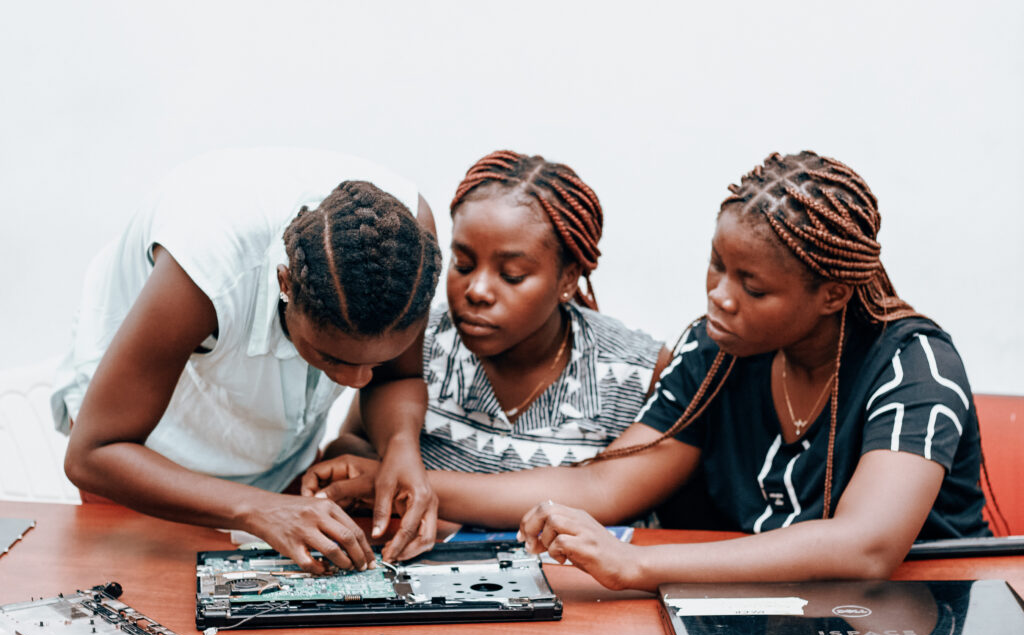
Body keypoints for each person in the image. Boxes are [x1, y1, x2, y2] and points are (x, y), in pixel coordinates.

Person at [310, 151, 990, 591]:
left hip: (927, 611)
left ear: (832, 295)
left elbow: (865, 546)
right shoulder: (717, 351)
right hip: (771, 606)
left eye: (752, 287)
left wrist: (637, 563)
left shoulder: (913, 364)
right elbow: (608, 481)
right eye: (718, 267)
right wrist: (400, 479)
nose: (719, 296)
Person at [52, 148, 442, 571]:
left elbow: (392, 380)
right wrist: (260, 509)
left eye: (377, 360)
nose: (357, 382)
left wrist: (401, 447)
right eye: (333, 358)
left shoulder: (408, 251)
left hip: (276, 470)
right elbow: (94, 454)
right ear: (285, 283)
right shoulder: (205, 264)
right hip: (145, 463)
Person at [302, 150, 669, 496]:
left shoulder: (635, 372)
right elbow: (349, 444)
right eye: (462, 264)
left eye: (511, 275)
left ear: (568, 279)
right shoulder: (419, 342)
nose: (477, 290)